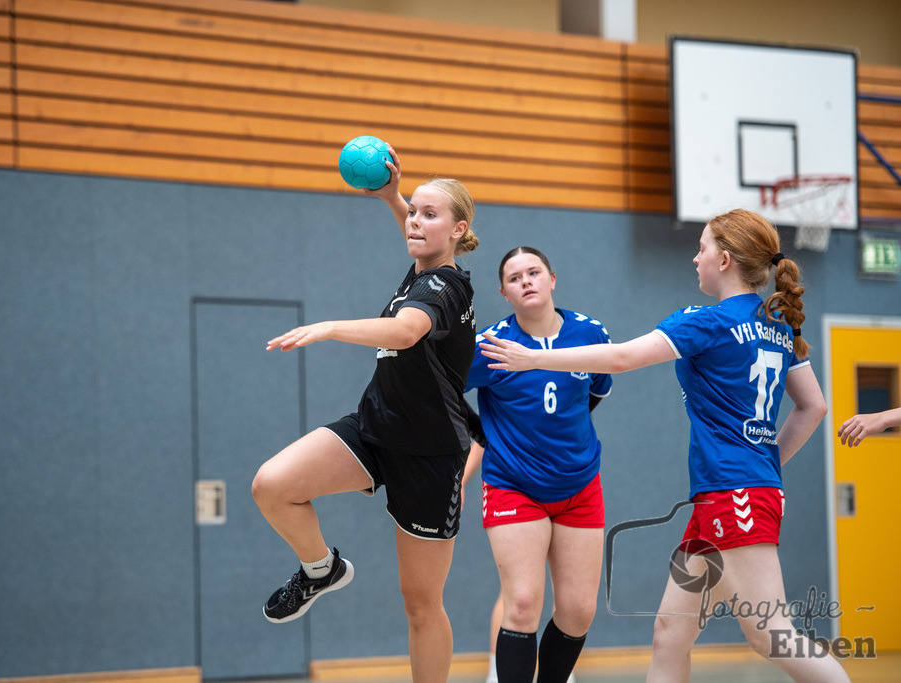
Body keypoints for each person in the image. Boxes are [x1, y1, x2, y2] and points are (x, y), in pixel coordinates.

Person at [478, 209, 850, 682]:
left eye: (702, 248)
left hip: (734, 495)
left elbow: (621, 357)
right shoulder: (777, 326)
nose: (695, 258)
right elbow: (813, 406)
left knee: (771, 634)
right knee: (669, 634)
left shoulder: (706, 322)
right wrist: (765, 464)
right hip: (729, 495)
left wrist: (533, 359)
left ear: (725, 260)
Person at [251, 147, 479, 683]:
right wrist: (393, 198)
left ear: (458, 229)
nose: (415, 222)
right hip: (376, 428)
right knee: (272, 486)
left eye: (429, 214)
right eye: (414, 212)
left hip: (431, 455)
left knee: (420, 604)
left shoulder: (444, 286)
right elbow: (418, 236)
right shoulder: (425, 268)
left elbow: (405, 331)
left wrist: (331, 327)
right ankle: (321, 569)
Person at [459, 246, 611, 683]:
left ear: (552, 279)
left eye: (534, 272)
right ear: (504, 293)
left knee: (578, 611)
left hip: (579, 486)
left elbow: (595, 392)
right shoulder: (489, 346)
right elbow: (442, 392)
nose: (526, 281)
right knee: (523, 602)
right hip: (514, 486)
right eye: (514, 277)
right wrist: (480, 431)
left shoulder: (590, 333)